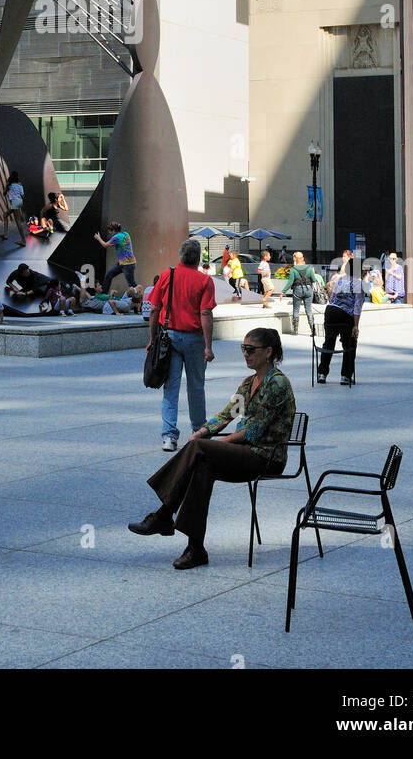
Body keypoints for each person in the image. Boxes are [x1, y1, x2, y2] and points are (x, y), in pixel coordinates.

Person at [128, 327, 295, 570]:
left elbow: (254, 431)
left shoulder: (277, 383)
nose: (245, 354)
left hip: (267, 456)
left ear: (268, 352)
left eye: (250, 350)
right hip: (246, 453)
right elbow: (228, 414)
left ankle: (163, 515)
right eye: (243, 349)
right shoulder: (249, 383)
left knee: (201, 450)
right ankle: (195, 548)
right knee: (202, 466)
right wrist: (203, 432)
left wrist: (213, 444)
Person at [149, 237, 216, 453]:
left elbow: (154, 309)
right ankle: (198, 432)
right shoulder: (205, 281)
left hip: (169, 338)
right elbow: (205, 313)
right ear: (198, 258)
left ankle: (169, 436)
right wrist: (208, 346)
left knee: (171, 387)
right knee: (196, 386)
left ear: (181, 256)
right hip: (195, 339)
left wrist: (152, 339)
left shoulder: (167, 275)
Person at [317, 255, 368, 385]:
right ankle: (345, 375)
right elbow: (357, 307)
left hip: (331, 311)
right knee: (349, 345)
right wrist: (355, 326)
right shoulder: (359, 284)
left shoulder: (340, 280)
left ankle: (322, 374)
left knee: (329, 343)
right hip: (345, 315)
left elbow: (332, 297)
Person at [280, 252, 324, 335]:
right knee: (309, 310)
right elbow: (314, 280)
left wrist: (283, 292)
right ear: (302, 258)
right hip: (308, 290)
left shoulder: (293, 269)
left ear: (294, 259)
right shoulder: (309, 268)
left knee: (296, 310)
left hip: (297, 290)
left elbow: (290, 282)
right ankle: (313, 331)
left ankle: (295, 331)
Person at [95, 221, 136, 295]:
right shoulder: (125, 234)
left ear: (114, 230)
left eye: (110, 231)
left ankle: (138, 298)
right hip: (124, 263)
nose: (110, 233)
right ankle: (104, 294)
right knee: (108, 275)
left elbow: (105, 245)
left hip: (127, 264)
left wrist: (98, 238)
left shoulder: (116, 237)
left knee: (132, 284)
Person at [0, 172, 27, 246]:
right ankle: (5, 234)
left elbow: (4, 193)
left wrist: (7, 186)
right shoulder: (20, 185)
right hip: (19, 201)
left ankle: (23, 241)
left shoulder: (9, 185)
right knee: (5, 215)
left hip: (15, 202)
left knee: (18, 222)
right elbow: (23, 196)